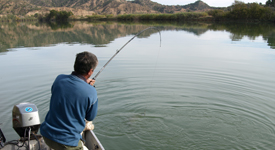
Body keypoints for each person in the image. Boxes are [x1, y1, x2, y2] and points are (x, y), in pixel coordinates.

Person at [40, 51, 98, 150]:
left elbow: (65, 94)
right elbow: (90, 117)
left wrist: (83, 83)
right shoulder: (91, 92)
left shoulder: (59, 79)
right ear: (90, 72)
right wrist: (86, 87)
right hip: (67, 143)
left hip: (47, 135)